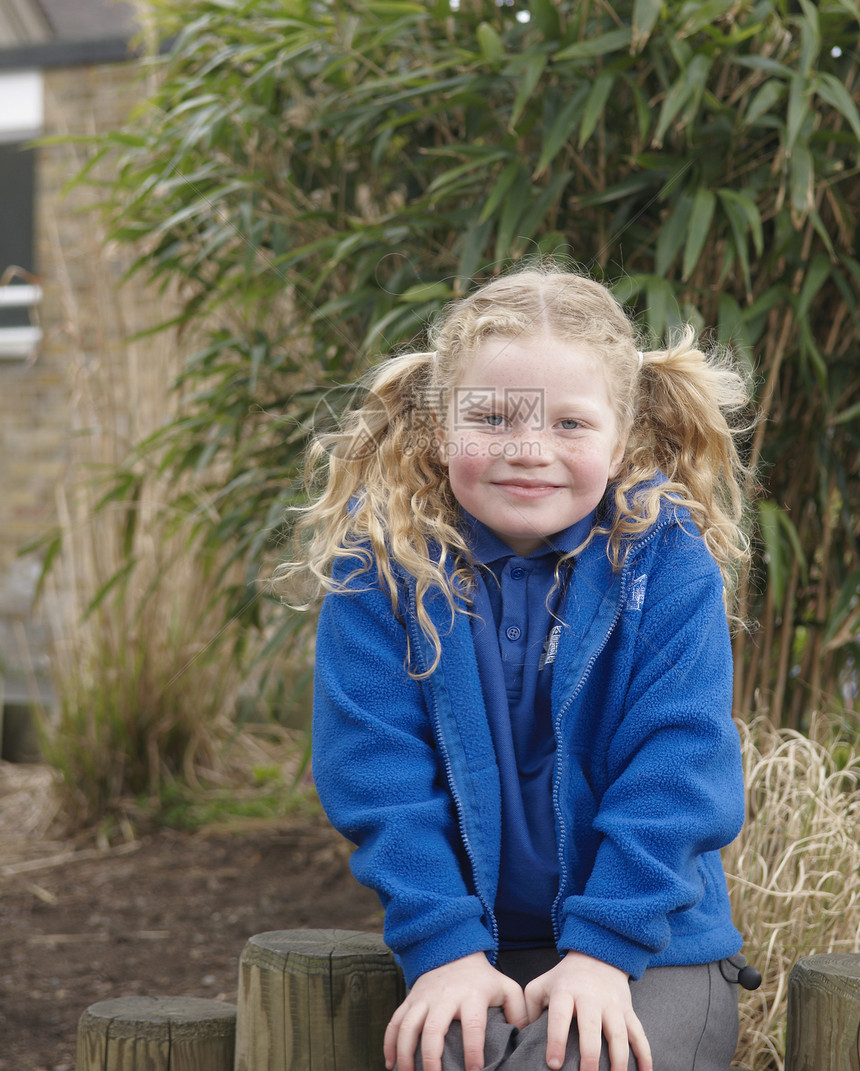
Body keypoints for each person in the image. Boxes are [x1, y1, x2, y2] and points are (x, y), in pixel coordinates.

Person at [279, 262, 752, 1071]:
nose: (529, 451)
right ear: (437, 424)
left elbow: (678, 771)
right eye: (492, 417)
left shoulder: (666, 564)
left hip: (650, 948)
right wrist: (443, 948)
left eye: (570, 424)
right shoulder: (384, 565)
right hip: (469, 944)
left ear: (621, 433)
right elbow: (376, 770)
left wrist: (603, 952)